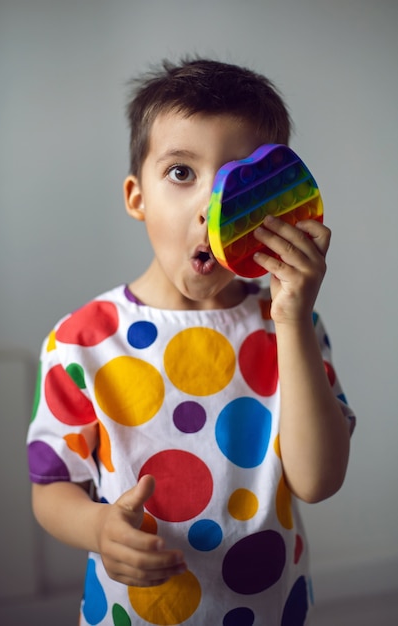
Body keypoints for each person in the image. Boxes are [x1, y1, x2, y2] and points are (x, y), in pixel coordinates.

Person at [27, 57, 355, 626]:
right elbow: (52, 486)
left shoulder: (290, 325)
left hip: (270, 610)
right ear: (137, 198)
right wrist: (99, 529)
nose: (212, 207)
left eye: (243, 182)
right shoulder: (81, 343)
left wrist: (293, 320)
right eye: (182, 173)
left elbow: (319, 481)